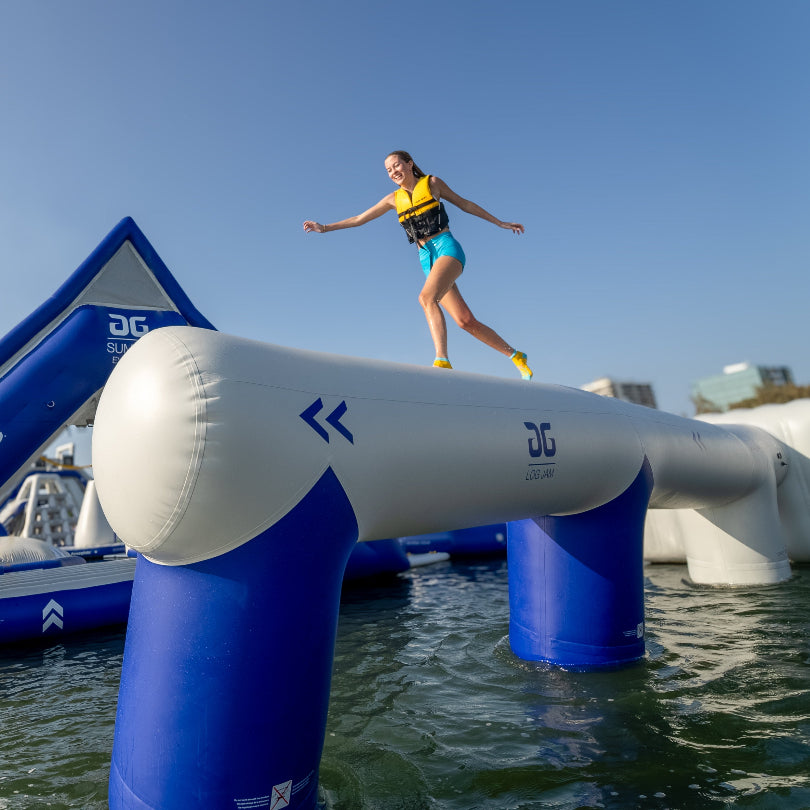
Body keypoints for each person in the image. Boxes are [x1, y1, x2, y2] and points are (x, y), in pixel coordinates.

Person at [303, 150, 533, 380]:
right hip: (427, 259)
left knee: (426, 298)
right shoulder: (393, 199)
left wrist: (500, 222)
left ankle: (442, 361)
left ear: (409, 163)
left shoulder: (432, 183)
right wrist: (324, 227)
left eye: (397, 166)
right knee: (465, 321)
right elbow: (359, 219)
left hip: (446, 249)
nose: (394, 172)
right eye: (388, 170)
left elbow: (465, 205)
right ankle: (515, 355)